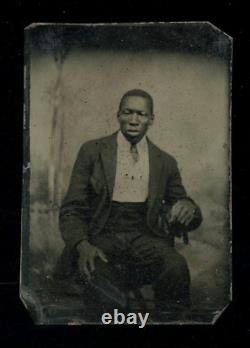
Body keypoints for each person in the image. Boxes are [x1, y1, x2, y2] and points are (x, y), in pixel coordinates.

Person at [55, 89, 202, 322]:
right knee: (108, 298)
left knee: (176, 266)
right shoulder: (93, 151)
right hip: (100, 237)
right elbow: (72, 209)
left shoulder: (165, 162)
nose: (134, 120)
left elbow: (184, 208)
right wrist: (82, 244)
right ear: (118, 115)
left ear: (151, 119)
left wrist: (189, 207)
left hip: (146, 238)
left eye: (141, 114)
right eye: (128, 112)